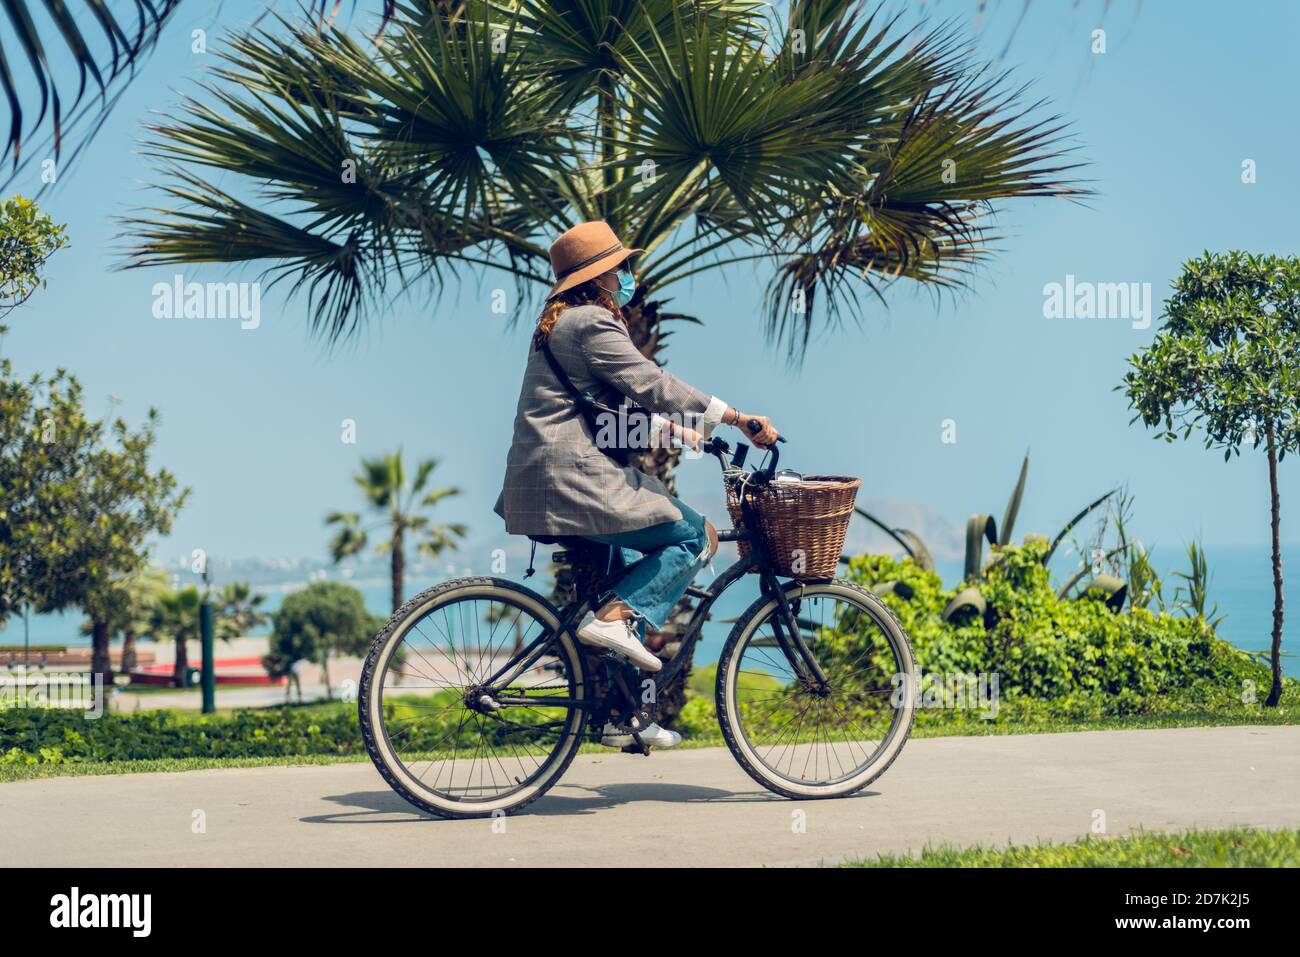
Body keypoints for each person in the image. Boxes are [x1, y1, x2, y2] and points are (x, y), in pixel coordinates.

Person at [494, 221, 779, 748]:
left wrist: (677, 431)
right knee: (694, 536)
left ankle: (622, 718)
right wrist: (736, 417)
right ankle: (614, 623)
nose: (629, 276)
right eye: (621, 268)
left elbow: (597, 410)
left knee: (627, 577)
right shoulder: (591, 323)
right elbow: (653, 383)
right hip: (572, 477)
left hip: (543, 479)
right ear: (598, 278)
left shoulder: (559, 326)